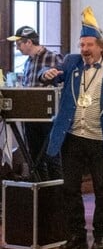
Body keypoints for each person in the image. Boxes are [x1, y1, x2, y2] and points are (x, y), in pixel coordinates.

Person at [43, 7, 103, 249]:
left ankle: (101, 235)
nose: (84, 49)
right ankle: (76, 235)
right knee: (70, 188)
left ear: (100, 46)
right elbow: (53, 75)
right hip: (72, 136)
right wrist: (46, 74)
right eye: (82, 44)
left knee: (102, 188)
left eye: (89, 44)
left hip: (99, 137)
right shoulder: (72, 63)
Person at [6, 25, 63, 178]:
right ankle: (41, 195)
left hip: (48, 117)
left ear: (29, 42)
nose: (17, 48)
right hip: (30, 117)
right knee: (34, 157)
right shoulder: (28, 62)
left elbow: (61, 84)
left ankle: (56, 195)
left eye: (19, 44)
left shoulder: (53, 57)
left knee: (51, 156)